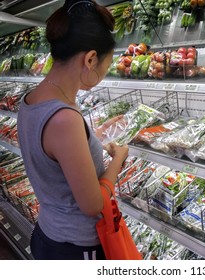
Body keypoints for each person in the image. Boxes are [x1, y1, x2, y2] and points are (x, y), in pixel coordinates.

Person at [17, 0, 129, 260]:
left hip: (49, 234)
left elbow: (56, 157)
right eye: (106, 66)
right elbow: (92, 205)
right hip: (77, 247)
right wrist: (118, 159)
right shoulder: (64, 118)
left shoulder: (32, 100)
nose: (103, 73)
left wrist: (95, 134)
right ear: (90, 59)